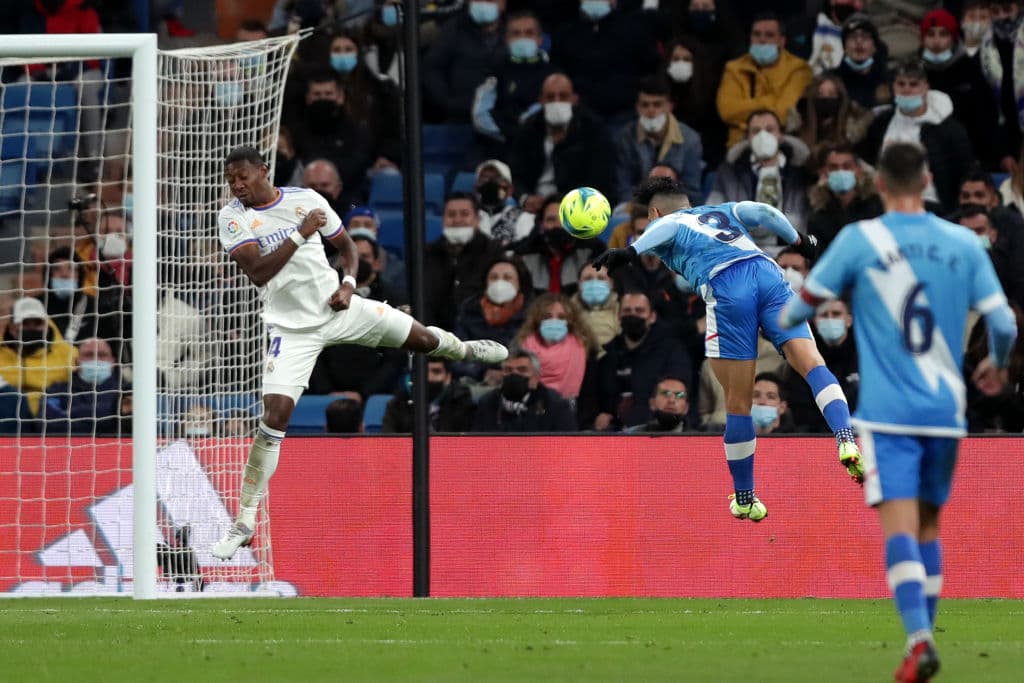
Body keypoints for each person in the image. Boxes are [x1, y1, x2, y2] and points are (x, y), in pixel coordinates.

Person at [779, 141, 1017, 681]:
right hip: (946, 410)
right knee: (929, 526)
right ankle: (924, 642)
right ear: (927, 181)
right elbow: (1004, 324)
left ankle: (918, 638)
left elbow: (794, 311)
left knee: (900, 529)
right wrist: (998, 366)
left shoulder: (859, 239)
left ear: (880, 184)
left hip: (887, 413)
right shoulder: (963, 241)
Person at [211, 146, 509, 560]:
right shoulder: (232, 217)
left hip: (338, 309)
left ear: (263, 171)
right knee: (274, 417)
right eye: (231, 180)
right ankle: (244, 520)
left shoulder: (306, 200)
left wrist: (349, 284)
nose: (237, 186)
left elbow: (348, 247)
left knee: (422, 341)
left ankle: (463, 348)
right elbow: (259, 272)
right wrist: (300, 234)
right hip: (290, 330)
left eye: (242, 176)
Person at [593, 177, 864, 522]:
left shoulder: (668, 223)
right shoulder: (721, 211)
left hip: (727, 286)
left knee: (737, 403)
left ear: (656, 212)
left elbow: (668, 226)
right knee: (813, 365)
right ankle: (845, 436)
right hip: (767, 274)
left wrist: (631, 251)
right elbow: (763, 211)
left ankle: (746, 498)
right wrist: (799, 240)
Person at [858, 59, 975, 213]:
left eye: (913, 85)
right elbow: (867, 163)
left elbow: (965, 171)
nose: (906, 90)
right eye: (901, 84)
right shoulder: (881, 124)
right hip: (886, 205)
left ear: (925, 87)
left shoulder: (948, 129)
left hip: (935, 207)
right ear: (893, 87)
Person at [706, 109, 813, 245]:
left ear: (781, 135)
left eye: (769, 130)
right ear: (748, 138)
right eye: (756, 131)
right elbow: (712, 214)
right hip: (744, 249)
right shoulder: (729, 172)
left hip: (791, 249)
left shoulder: (802, 171)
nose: (763, 136)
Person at [716, 12, 813, 148]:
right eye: (756, 34)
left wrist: (746, 122)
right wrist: (771, 101)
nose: (762, 40)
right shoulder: (734, 68)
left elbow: (785, 113)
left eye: (769, 35)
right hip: (741, 145)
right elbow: (727, 111)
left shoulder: (799, 69)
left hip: (782, 143)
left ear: (782, 41)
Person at [614, 76, 703, 206]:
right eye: (645, 105)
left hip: (676, 206)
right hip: (636, 206)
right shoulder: (626, 137)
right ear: (637, 108)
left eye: (657, 104)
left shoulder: (690, 139)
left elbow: (693, 191)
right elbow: (623, 187)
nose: (651, 111)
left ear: (669, 107)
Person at [512, 196, 605, 296]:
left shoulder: (593, 251)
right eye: (551, 220)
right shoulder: (525, 255)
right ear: (541, 224)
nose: (558, 225)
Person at [0, 297, 78, 416]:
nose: (32, 328)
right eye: (25, 323)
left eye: (38, 323)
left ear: (47, 325)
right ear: (11, 328)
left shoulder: (70, 354)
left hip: (51, 417)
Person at [514, 293, 599, 401]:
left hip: (569, 406)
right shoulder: (523, 346)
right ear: (537, 320)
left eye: (561, 317)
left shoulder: (582, 346)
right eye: (547, 317)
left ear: (570, 321)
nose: (554, 321)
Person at [471, 348, 577, 432]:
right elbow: (477, 443)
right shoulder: (488, 402)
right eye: (508, 370)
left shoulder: (555, 404)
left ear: (536, 377)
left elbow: (567, 445)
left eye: (522, 370)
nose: (514, 374)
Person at [37, 337, 127, 436]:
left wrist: (72, 413)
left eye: (102, 355)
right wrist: (109, 414)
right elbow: (46, 425)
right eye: (89, 355)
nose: (96, 359)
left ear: (113, 362)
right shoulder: (56, 390)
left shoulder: (125, 391)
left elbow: (129, 424)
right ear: (77, 362)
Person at [807, 142, 884, 249]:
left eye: (847, 166)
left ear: (859, 170)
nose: (840, 171)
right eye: (834, 167)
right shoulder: (818, 213)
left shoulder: (877, 207)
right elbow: (814, 248)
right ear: (825, 172)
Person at [381, 359, 477, 433]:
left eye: (436, 372)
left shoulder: (462, 403)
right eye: (423, 371)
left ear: (448, 377)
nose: (428, 377)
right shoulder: (397, 405)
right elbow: (389, 443)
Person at [625, 375, 694, 433]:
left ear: (686, 408)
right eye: (665, 394)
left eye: (679, 395)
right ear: (652, 403)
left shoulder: (697, 441)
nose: (671, 400)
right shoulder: (630, 436)